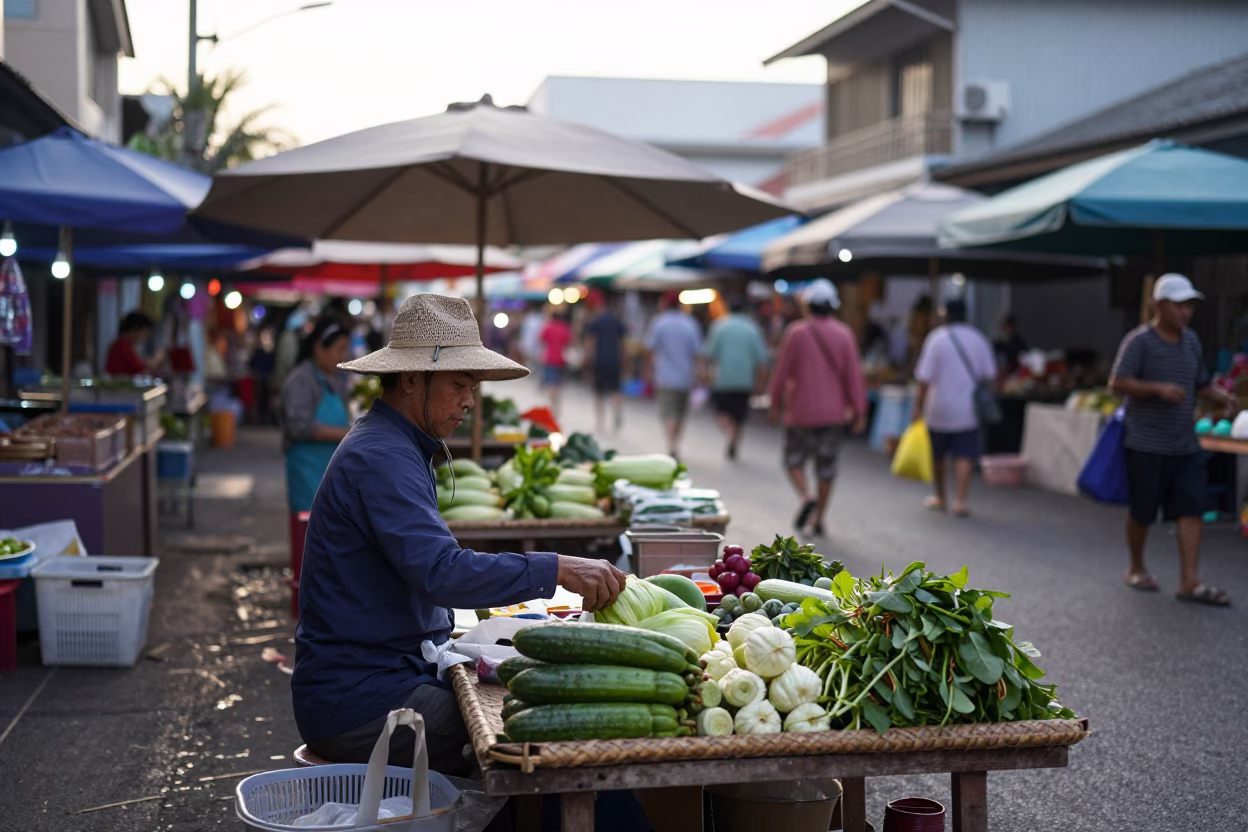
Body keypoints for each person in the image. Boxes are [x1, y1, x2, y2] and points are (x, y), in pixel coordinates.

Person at [293, 294, 626, 773]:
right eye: (459, 384)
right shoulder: (381, 456)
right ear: (411, 379)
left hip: (389, 674)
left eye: (473, 386)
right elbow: (440, 572)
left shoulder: (398, 444)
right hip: (360, 701)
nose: (470, 400)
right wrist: (555, 567)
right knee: (541, 737)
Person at [1110, 274, 1234, 606]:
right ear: (1159, 306)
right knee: (1143, 511)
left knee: (1192, 509)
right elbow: (1118, 382)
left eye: (1189, 305)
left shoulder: (1191, 341)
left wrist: (1220, 396)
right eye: (1179, 305)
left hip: (1185, 443)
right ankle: (1136, 566)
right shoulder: (1139, 341)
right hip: (1146, 443)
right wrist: (1157, 388)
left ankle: (1189, 581)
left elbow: (1200, 383)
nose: (1185, 312)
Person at [767, 280, 867, 537]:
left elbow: (781, 372)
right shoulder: (844, 333)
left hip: (800, 412)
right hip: (833, 414)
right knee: (826, 468)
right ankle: (819, 517)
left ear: (809, 306)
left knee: (793, 461)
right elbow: (854, 376)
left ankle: (806, 495)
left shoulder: (796, 332)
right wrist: (860, 410)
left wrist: (774, 403)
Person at [912, 298, 996, 518]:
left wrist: (917, 407)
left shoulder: (936, 339)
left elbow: (923, 378)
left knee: (938, 456)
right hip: (967, 408)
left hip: (938, 408)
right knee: (964, 454)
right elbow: (990, 375)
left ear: (945, 314)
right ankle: (960, 500)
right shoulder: (979, 339)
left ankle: (940, 497)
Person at [280, 317, 352, 532]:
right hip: (307, 470)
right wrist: (347, 433)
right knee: (308, 531)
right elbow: (299, 427)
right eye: (339, 349)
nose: (343, 356)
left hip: (329, 470)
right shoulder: (301, 380)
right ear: (319, 348)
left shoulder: (336, 380)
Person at [701, 298, 769, 460]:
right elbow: (762, 359)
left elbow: (709, 354)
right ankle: (734, 439)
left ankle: (731, 436)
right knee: (739, 415)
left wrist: (704, 376)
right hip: (745, 380)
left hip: (723, 379)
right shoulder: (752, 329)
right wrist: (760, 383)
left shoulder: (720, 327)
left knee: (721, 413)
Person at [644, 292, 702, 459]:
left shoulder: (660, 323)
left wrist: (648, 371)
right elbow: (697, 352)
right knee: (681, 413)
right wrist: (700, 374)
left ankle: (671, 444)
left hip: (665, 376)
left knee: (669, 412)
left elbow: (650, 349)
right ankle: (675, 442)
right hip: (685, 376)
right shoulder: (690, 323)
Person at [585, 294, 628, 433]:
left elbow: (591, 343)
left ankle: (600, 421)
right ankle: (617, 415)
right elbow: (622, 344)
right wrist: (624, 360)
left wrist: (588, 359)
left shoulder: (596, 321)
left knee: (599, 392)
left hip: (600, 360)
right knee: (616, 390)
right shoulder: (617, 321)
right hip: (614, 360)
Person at [105, 311, 162, 376]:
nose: (145, 336)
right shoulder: (122, 345)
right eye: (144, 332)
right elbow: (139, 368)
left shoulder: (123, 344)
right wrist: (156, 359)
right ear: (135, 329)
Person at [540, 309, 572, 417]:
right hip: (561, 360)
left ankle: (551, 407)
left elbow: (541, 340)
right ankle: (556, 407)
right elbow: (568, 342)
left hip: (549, 359)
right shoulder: (564, 328)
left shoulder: (548, 327)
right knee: (557, 385)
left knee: (550, 384)